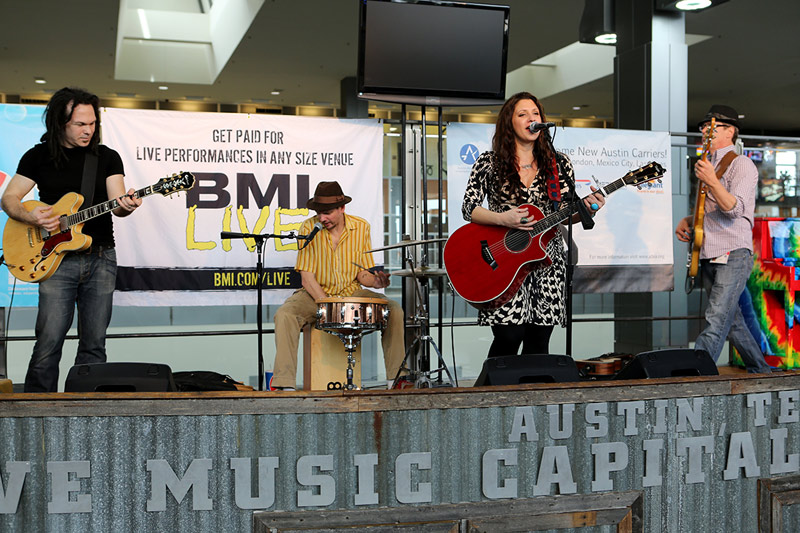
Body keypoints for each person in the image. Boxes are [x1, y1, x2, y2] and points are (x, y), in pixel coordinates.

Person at [1, 87, 142, 392]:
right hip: (55, 260)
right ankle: (37, 412)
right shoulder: (37, 157)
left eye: (92, 123)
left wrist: (126, 205)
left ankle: (85, 415)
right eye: (80, 124)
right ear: (60, 123)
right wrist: (31, 217)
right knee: (48, 342)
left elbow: (118, 206)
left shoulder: (106, 157)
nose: (88, 130)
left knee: (95, 345)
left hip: (101, 257)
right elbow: (10, 198)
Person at [461, 91, 605, 358]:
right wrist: (503, 218)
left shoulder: (558, 163)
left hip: (547, 261)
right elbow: (469, 208)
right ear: (509, 123)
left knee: (539, 344)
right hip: (504, 261)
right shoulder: (488, 162)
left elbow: (565, 214)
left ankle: (532, 400)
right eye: (523, 114)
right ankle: (488, 399)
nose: (531, 118)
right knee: (508, 337)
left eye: (536, 113)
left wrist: (588, 209)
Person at [271, 181, 405, 390]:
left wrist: (376, 282)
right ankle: (284, 385)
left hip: (351, 291)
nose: (322, 218)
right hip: (315, 293)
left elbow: (362, 274)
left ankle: (396, 380)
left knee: (394, 309)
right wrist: (330, 307)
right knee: (285, 315)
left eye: (328, 212)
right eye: (319, 213)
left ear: (342, 208)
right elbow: (307, 278)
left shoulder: (361, 227)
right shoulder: (308, 228)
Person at [675, 104, 771, 373]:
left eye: (712, 126)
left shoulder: (741, 163)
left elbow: (735, 209)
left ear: (730, 132)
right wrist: (691, 220)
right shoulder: (708, 165)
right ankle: (761, 370)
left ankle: (694, 374)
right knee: (733, 320)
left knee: (717, 317)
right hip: (707, 252)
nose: (705, 130)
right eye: (704, 127)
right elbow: (713, 209)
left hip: (733, 253)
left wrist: (712, 182)